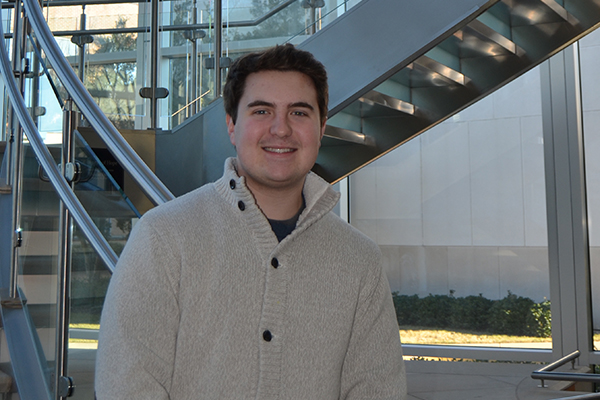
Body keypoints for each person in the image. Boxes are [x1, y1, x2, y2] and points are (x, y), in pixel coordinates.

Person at [95, 43, 407, 399]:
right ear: (231, 125)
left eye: (299, 113)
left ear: (321, 129)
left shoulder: (359, 260)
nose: (281, 129)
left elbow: (378, 390)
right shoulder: (164, 238)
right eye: (262, 111)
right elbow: (127, 386)